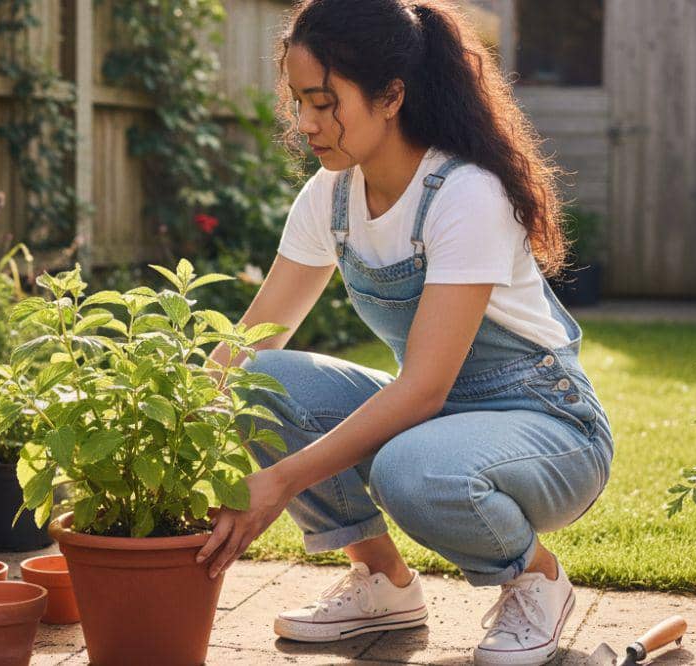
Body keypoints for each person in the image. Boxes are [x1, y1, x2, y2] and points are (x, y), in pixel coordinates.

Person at [194, 1, 614, 664]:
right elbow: (251, 340)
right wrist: (168, 422)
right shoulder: (329, 200)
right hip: (439, 418)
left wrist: (277, 482)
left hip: (550, 429)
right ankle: (381, 583)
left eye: (326, 103)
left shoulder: (463, 194)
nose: (307, 124)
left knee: (411, 469)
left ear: (391, 96)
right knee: (258, 383)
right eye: (301, 101)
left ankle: (536, 579)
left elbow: (420, 391)